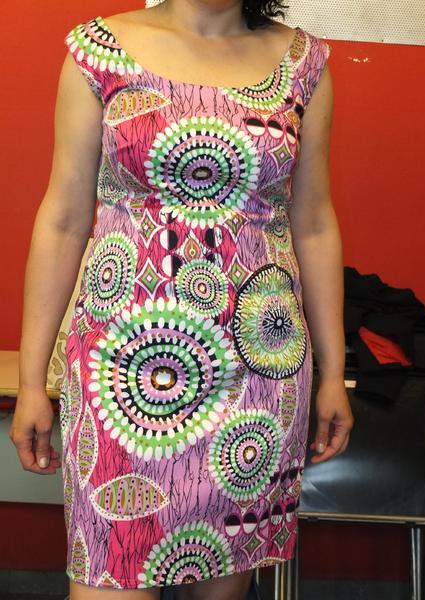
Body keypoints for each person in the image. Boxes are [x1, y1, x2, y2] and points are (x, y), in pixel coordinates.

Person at [9, 1, 354, 599]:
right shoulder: (99, 52)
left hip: (257, 375)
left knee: (221, 580)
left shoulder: (303, 64)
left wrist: (334, 371)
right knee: (107, 573)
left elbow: (316, 223)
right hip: (121, 376)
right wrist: (31, 379)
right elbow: (62, 219)